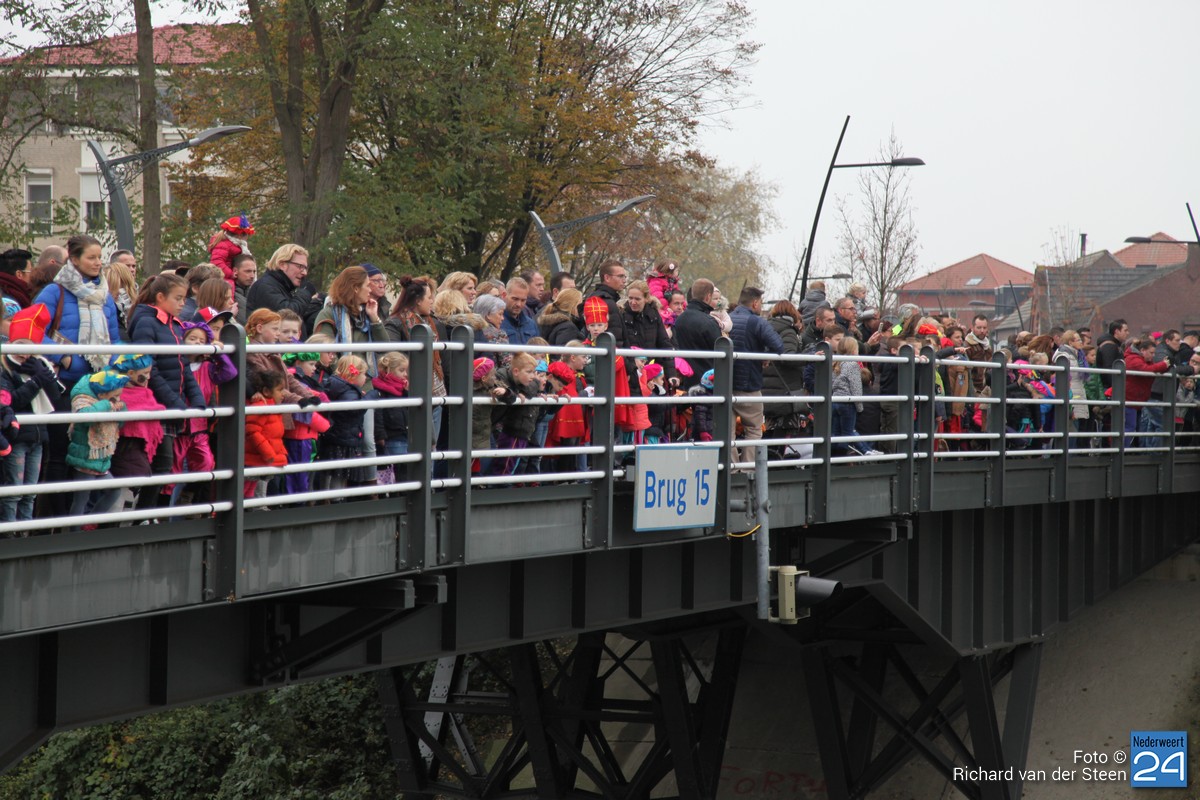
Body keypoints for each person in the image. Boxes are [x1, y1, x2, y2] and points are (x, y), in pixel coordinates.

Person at [0, 304, 63, 523]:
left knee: (30, 494)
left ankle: (24, 532)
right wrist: (36, 382)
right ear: (10, 343)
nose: (23, 352)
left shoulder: (40, 365)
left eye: (28, 346)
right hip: (16, 438)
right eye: (19, 344)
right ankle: (9, 533)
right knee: (13, 493)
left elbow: (55, 398)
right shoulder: (4, 368)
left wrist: (43, 376)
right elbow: (11, 402)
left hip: (38, 437)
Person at [729, 287, 784, 464]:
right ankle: (748, 469)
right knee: (753, 429)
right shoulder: (756, 322)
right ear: (755, 303)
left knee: (727, 433)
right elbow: (778, 346)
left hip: (724, 384)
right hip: (749, 385)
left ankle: (731, 469)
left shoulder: (727, 319)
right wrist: (764, 355)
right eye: (760, 303)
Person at [66, 369, 129, 521]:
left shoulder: (109, 405)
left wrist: (121, 409)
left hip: (101, 461)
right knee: (81, 500)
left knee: (114, 490)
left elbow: (120, 425)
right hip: (84, 460)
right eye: (114, 397)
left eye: (119, 396)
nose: (117, 400)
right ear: (101, 395)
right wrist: (107, 405)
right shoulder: (84, 401)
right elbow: (84, 418)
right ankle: (73, 531)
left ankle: (90, 523)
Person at [317, 354, 372, 492]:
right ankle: (336, 500)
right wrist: (369, 398)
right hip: (344, 438)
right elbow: (354, 410)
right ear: (354, 375)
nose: (366, 378)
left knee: (329, 472)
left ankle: (325, 498)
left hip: (334, 436)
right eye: (364, 374)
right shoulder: (349, 391)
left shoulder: (334, 385)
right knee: (340, 474)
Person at [245, 244, 324, 334]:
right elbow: (287, 316)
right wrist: (305, 292)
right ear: (282, 264)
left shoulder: (285, 288)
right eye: (300, 266)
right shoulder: (265, 286)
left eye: (305, 268)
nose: (304, 273)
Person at [619, 280, 675, 385]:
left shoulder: (653, 315)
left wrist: (671, 374)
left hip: (652, 373)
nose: (633, 302)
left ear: (646, 298)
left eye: (637, 299)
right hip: (631, 372)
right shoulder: (621, 315)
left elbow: (664, 344)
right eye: (630, 298)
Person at [244, 369, 289, 499]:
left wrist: (280, 453)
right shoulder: (261, 407)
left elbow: (275, 435)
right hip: (257, 457)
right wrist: (269, 453)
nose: (283, 394)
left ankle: (252, 507)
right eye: (280, 390)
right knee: (245, 488)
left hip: (261, 457)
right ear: (267, 391)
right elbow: (253, 431)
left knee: (251, 489)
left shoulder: (271, 407)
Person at [672, 279, 722, 388]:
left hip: (684, 379)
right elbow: (721, 352)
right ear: (708, 296)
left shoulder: (679, 319)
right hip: (707, 381)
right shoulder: (709, 322)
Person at [584, 261, 629, 347]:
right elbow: (615, 335)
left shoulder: (601, 298)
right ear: (607, 278)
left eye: (624, 276)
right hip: (611, 352)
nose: (624, 280)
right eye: (620, 276)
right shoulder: (603, 301)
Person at [208, 214, 255, 285]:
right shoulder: (223, 244)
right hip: (225, 279)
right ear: (240, 235)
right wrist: (231, 274)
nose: (247, 237)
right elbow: (217, 262)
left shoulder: (237, 245)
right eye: (246, 234)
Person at [646, 260, 680, 327]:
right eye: (676, 270)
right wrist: (666, 307)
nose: (678, 273)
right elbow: (657, 296)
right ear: (670, 271)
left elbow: (679, 296)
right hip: (660, 311)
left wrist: (683, 306)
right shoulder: (656, 280)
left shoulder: (672, 282)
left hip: (670, 310)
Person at [231, 253, 257, 325]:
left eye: (254, 271)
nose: (252, 276)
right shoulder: (228, 295)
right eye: (248, 271)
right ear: (235, 271)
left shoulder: (256, 293)